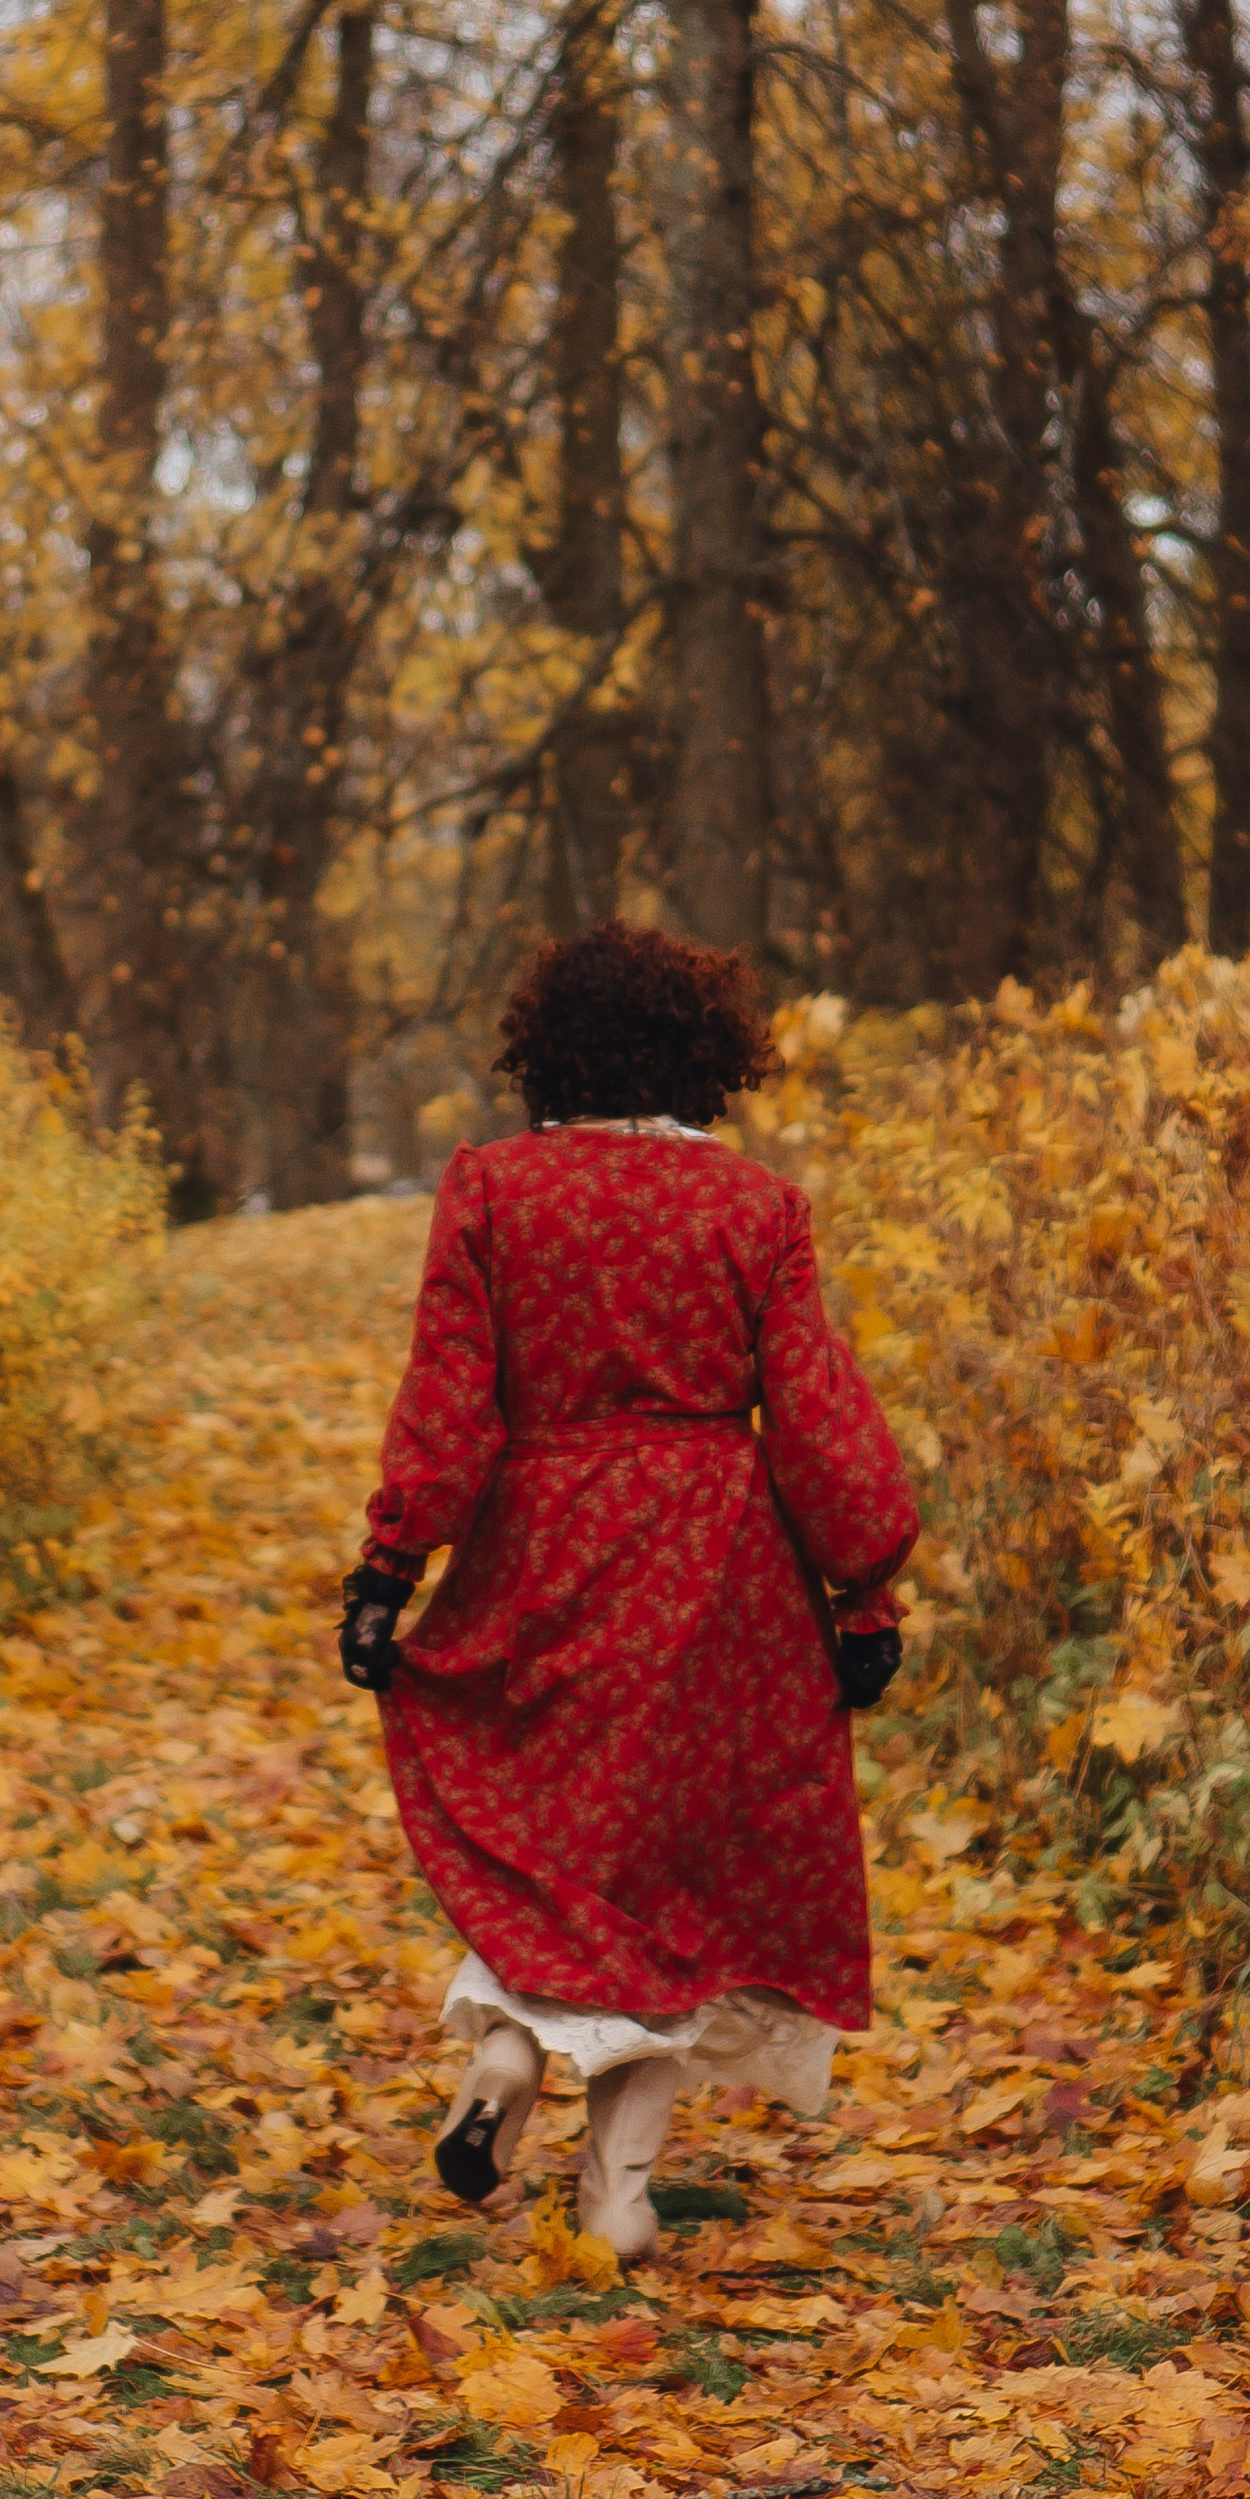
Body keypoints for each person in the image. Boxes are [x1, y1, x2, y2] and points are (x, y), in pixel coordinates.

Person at [339, 923, 917, 2262]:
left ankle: (505, 2057)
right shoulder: (755, 1208)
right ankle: (618, 2191)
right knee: (673, 1882)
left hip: (539, 1549)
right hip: (714, 1573)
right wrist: (866, 1587)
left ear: (547, 1049)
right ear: (707, 1054)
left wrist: (390, 1566)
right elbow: (817, 1418)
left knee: (549, 1850)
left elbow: (448, 1400)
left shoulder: (494, 1189)